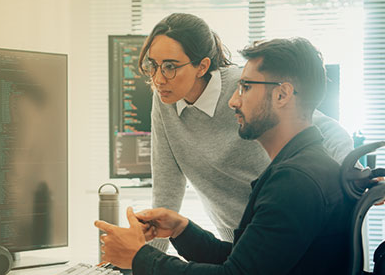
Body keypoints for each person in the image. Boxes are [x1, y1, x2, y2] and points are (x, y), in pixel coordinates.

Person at [96, 38, 353, 275]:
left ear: (282, 94)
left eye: (245, 87)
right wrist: (183, 231)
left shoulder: (294, 182)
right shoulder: (306, 167)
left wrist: (140, 257)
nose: (233, 100)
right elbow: (246, 266)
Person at [141, 13, 353, 242]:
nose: (159, 79)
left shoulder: (244, 86)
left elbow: (322, 128)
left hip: (283, 226)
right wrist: (143, 263)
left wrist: (351, 169)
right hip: (234, 237)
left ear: (201, 67)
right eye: (153, 65)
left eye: (170, 66)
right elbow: (167, 188)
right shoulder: (165, 100)